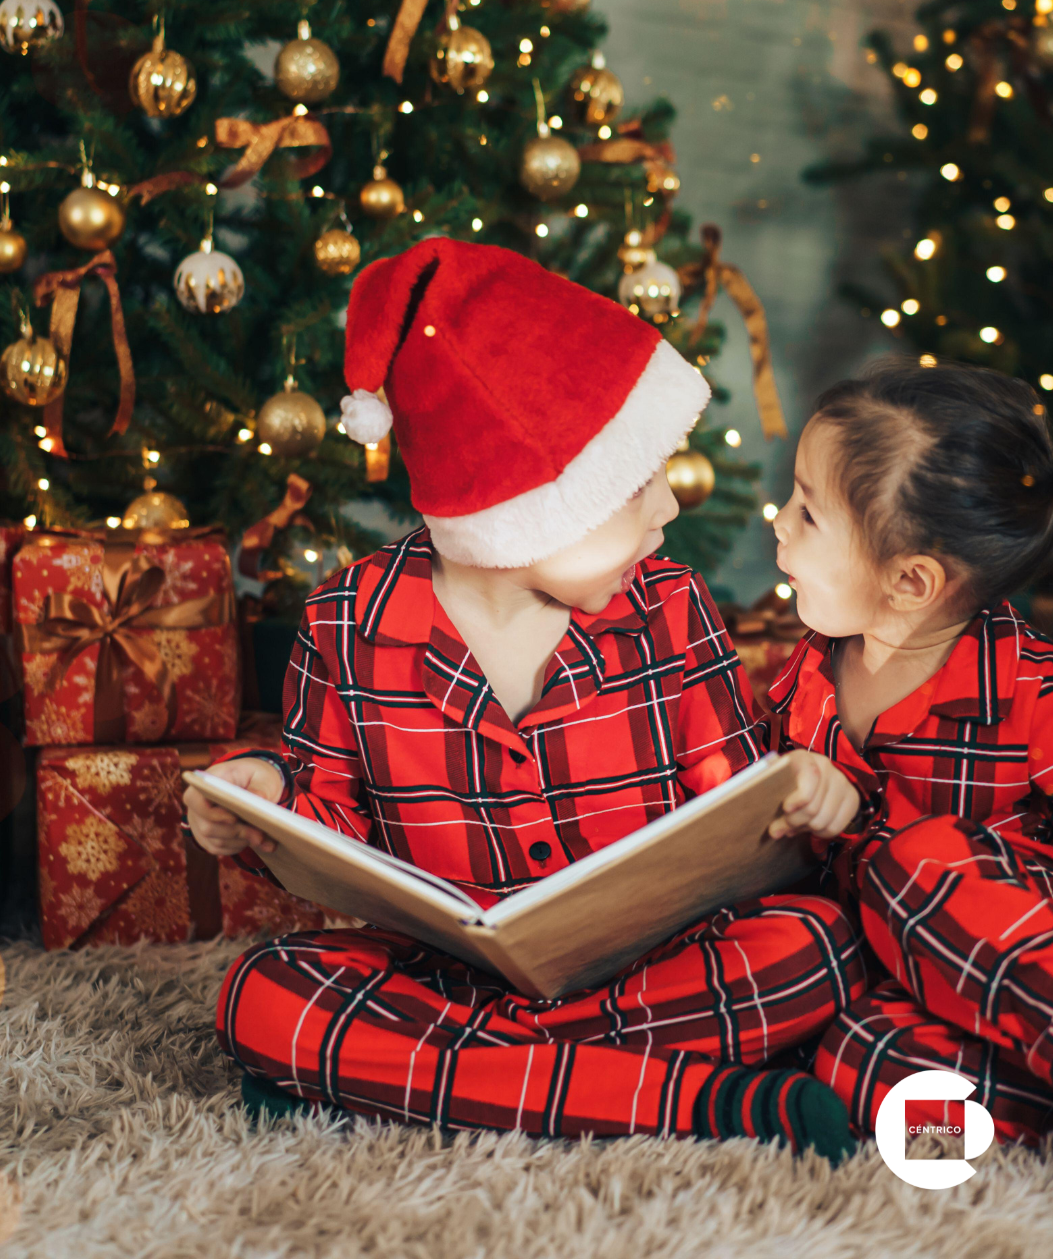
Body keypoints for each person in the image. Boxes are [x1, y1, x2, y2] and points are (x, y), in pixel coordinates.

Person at [184, 238, 866, 1160]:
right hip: (451, 973)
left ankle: (429, 1084)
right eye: (633, 489)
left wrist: (802, 797)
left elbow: (734, 804)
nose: (667, 510)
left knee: (817, 944)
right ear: (526, 509)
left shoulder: (671, 606)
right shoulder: (348, 618)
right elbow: (328, 817)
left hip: (649, 967)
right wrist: (264, 796)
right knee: (263, 992)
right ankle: (686, 1102)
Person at [766, 357, 1053, 1145]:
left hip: (1042, 952)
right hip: (917, 989)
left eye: (806, 512)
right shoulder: (804, 675)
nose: (776, 521)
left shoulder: (1038, 694)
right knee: (851, 1057)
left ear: (910, 582)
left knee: (922, 861)